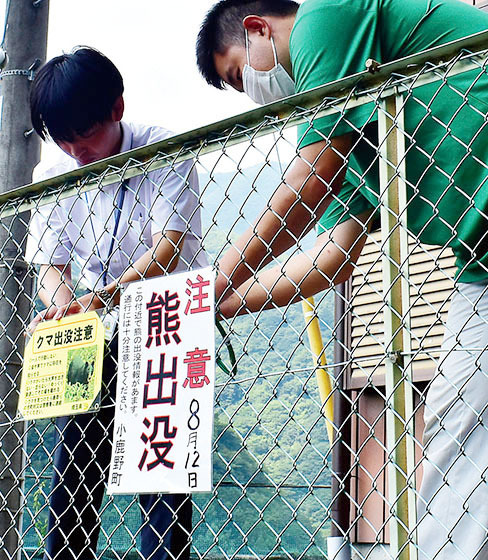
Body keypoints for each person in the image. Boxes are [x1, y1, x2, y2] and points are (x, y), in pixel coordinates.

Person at [196, 1, 488, 558]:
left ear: (256, 28)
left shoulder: (321, 21)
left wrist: (212, 280)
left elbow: (305, 187)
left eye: (240, 74)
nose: (253, 91)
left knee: (461, 444)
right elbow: (332, 255)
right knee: (463, 435)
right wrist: (220, 305)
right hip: (480, 261)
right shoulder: (353, 125)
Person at [25, 47, 207, 560]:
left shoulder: (163, 148)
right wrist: (67, 309)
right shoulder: (54, 171)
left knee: (163, 478)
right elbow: (51, 265)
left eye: (85, 136)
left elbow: (167, 247)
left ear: (117, 108)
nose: (75, 151)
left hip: (165, 318)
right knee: (73, 474)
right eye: (62, 139)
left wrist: (95, 299)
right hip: (92, 330)